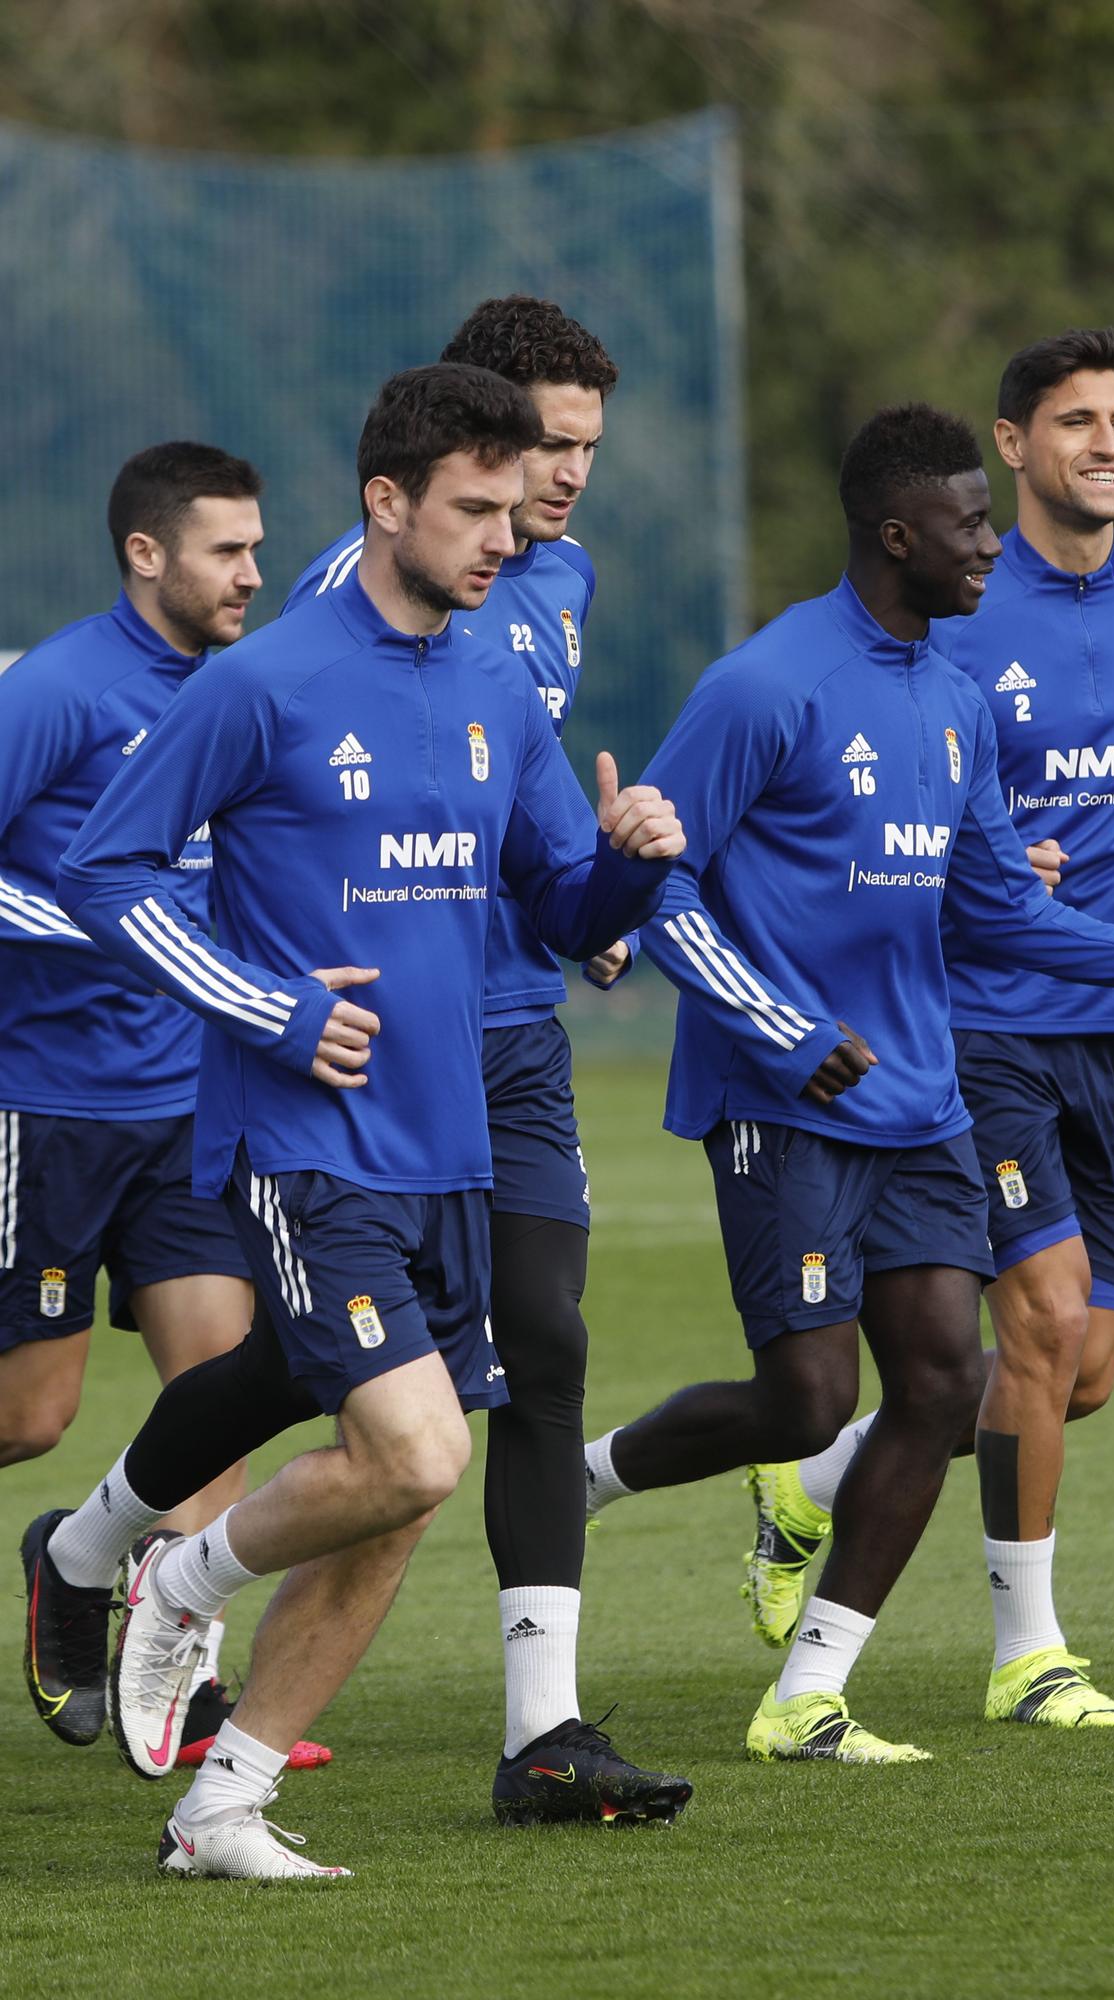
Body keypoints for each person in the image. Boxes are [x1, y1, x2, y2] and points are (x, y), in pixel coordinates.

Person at [580, 402, 1114, 1765]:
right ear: (895, 534)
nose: (988, 548)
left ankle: (806, 1694)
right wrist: (781, 1026)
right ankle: (577, 1485)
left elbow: (997, 915)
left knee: (935, 1383)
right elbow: (650, 886)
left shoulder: (953, 699)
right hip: (779, 1100)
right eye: (969, 526)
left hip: (920, 1100)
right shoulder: (764, 684)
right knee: (802, 1402)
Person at [51, 361, 688, 1879]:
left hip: (446, 1141)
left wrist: (635, 865)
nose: (499, 535)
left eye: (506, 504)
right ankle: (176, 1580)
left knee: (394, 1493)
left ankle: (223, 1806)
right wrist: (264, 1004)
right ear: (386, 502)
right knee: (410, 1455)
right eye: (470, 507)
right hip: (302, 1138)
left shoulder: (493, 685)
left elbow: (555, 903)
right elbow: (103, 872)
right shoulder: (259, 682)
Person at [739, 330, 1114, 1728]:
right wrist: (983, 860)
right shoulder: (956, 606)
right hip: (977, 1024)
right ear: (1012, 446)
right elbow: (909, 785)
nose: (1109, 444)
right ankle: (1028, 1654)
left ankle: (816, 1477)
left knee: (1074, 1376)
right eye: (1077, 421)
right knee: (1042, 1323)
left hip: (1112, 1014)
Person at [285, 296, 645, 1807]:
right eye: (542, 450)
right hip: (383, 1049)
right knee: (318, 1387)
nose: (561, 483)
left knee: (542, 1351)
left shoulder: (556, 589)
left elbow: (521, 818)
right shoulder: (339, 598)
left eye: (581, 454)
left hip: (516, 1037)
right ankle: (115, 1549)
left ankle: (540, 1731)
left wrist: (600, 896)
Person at [7, 443, 277, 1763]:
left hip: (189, 1105)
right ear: (145, 553)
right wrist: (99, 926)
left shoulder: (239, 697)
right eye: (226, 550)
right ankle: (59, 1551)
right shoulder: (58, 690)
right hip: (45, 1107)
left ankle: (177, 1673)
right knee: (29, 1417)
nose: (252, 574)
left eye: (256, 548)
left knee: (219, 1386)